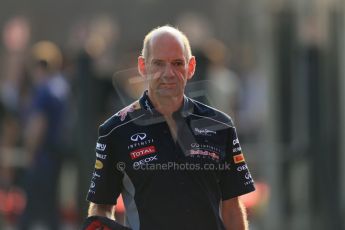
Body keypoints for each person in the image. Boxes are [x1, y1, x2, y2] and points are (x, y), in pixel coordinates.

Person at [83, 25, 255, 230]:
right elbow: (101, 207)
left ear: (190, 67)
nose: (168, 73)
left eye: (177, 63)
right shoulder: (115, 131)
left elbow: (232, 207)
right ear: (142, 66)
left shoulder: (220, 125)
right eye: (158, 64)